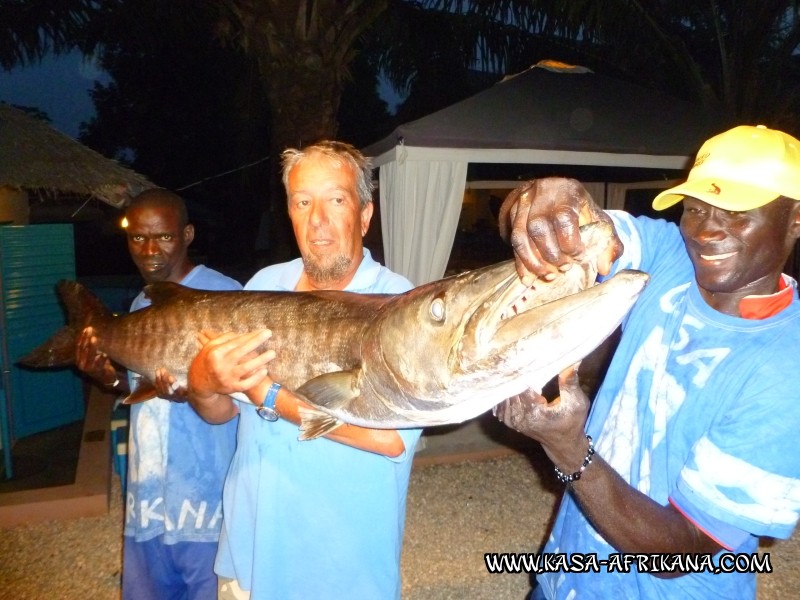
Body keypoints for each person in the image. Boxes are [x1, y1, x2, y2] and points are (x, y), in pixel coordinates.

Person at [493, 124, 800, 599]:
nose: (706, 229)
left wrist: (568, 447)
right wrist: (542, 201)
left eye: (737, 212)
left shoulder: (786, 371)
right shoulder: (672, 257)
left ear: (795, 219)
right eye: (696, 207)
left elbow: (684, 551)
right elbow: (578, 233)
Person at [183, 140, 422, 600]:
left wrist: (272, 396)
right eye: (302, 202)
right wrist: (203, 382)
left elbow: (388, 440)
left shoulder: (398, 305)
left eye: (336, 200)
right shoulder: (263, 286)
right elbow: (222, 412)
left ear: (365, 215)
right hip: (248, 561)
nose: (318, 221)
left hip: (342, 574)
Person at [75, 189, 242, 600]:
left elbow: (244, 399)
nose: (149, 249)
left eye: (163, 237)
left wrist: (196, 391)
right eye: (138, 238)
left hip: (207, 502)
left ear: (186, 234)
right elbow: (139, 388)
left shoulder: (227, 295)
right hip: (147, 500)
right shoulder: (139, 304)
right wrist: (108, 378)